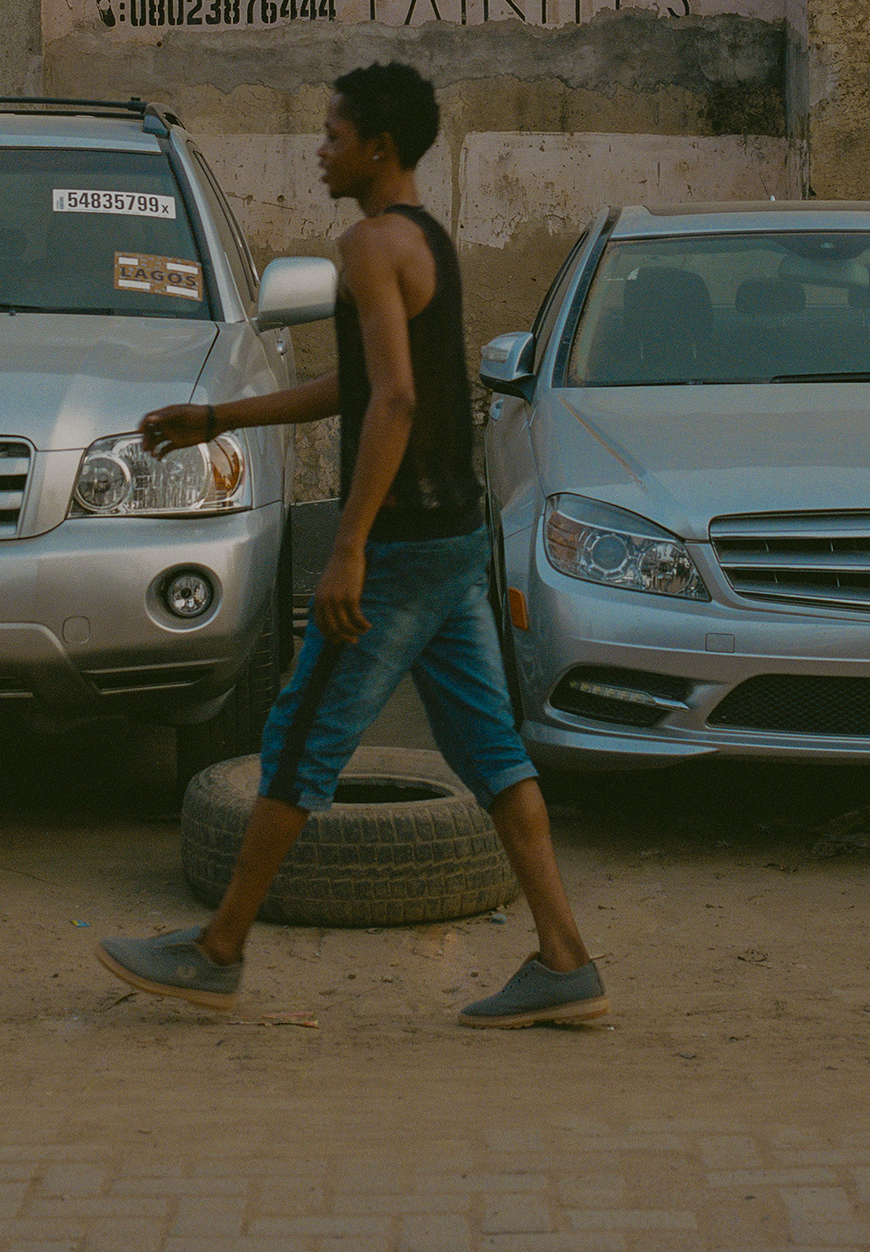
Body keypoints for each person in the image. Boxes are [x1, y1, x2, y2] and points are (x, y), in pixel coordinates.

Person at [94, 62, 605, 1029]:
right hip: (455, 538)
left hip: (406, 549)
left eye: (333, 135)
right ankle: (567, 961)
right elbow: (367, 389)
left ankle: (217, 950)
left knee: (297, 741)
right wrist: (221, 417)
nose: (319, 151)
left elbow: (398, 402)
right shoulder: (425, 241)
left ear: (379, 147)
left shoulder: (369, 244)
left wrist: (350, 545)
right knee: (493, 753)